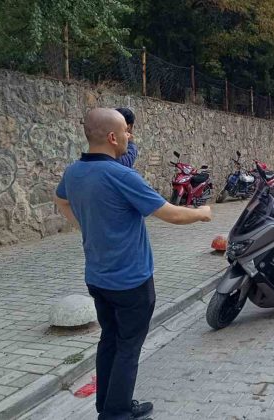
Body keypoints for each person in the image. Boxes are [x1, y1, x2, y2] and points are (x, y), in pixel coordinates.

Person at [54, 108, 212, 420]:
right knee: (128, 346)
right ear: (113, 137)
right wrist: (203, 213)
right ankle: (116, 414)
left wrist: (86, 226)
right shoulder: (121, 175)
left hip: (98, 279)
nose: (130, 136)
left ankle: (110, 405)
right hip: (131, 281)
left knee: (110, 341)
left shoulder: (74, 172)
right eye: (126, 131)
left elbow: (60, 201)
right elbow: (170, 213)